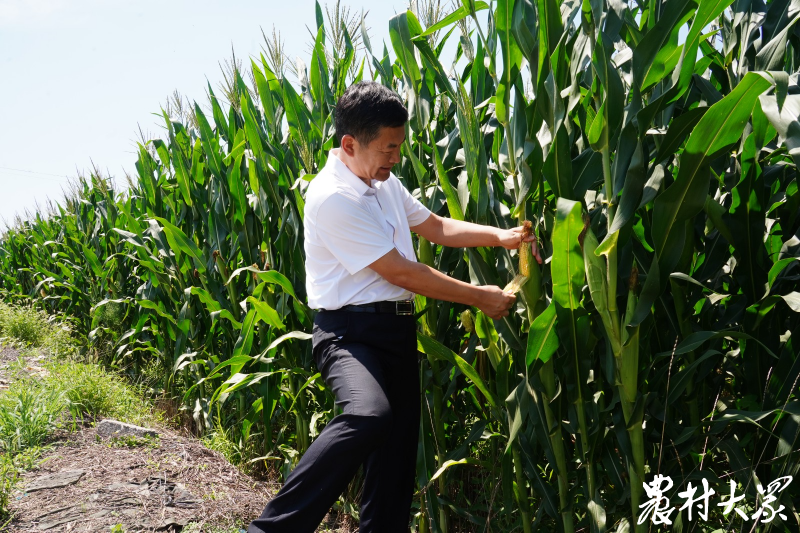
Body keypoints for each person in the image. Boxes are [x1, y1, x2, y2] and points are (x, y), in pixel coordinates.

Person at [248, 81, 542, 533]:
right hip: (348, 335)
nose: (396, 157)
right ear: (350, 144)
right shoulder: (332, 198)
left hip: (396, 333)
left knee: (398, 453)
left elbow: (437, 226)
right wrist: (481, 297)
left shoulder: (384, 182)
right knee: (368, 415)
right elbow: (403, 272)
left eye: (398, 147)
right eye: (388, 148)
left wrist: (501, 236)